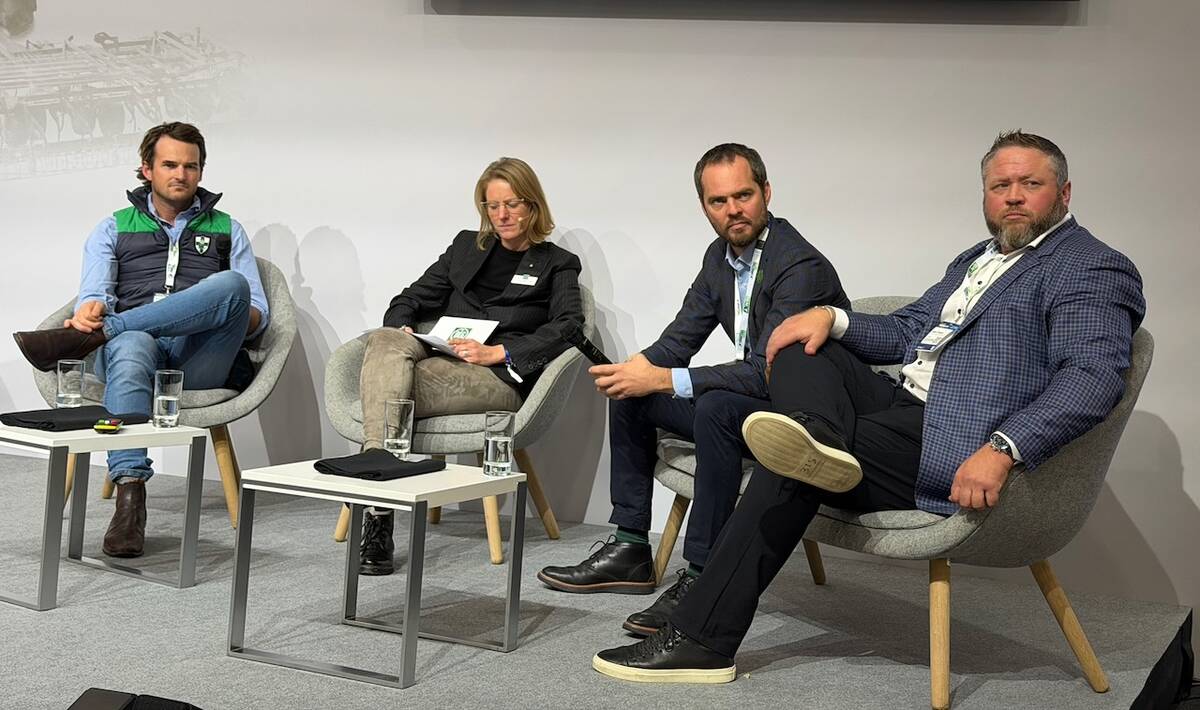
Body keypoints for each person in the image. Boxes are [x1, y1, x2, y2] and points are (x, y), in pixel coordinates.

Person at [591, 130, 1146, 683]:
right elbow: (908, 330)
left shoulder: (1089, 266)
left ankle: (702, 639)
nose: (1014, 196)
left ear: (1064, 192)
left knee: (793, 463)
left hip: (954, 437)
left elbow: (1092, 378)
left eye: (1030, 184)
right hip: (901, 405)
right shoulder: (976, 259)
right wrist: (829, 317)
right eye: (1001, 185)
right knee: (800, 342)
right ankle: (815, 436)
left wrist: (1003, 448)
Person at [537, 143, 850, 637]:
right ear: (704, 206)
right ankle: (630, 546)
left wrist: (663, 378)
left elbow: (766, 371)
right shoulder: (719, 257)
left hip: (802, 415)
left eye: (743, 195)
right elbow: (682, 336)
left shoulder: (800, 266)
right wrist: (635, 370)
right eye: (718, 201)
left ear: (767, 193)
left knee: (716, 408)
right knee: (634, 394)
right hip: (757, 404)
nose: (733, 210)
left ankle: (702, 576)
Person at [12, 122, 269, 559]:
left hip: (197, 359)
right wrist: (91, 311)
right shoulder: (112, 227)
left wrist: (213, 305)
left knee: (232, 285)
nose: (181, 174)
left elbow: (257, 318)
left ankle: (108, 333)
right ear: (146, 169)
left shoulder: (228, 228)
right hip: (133, 355)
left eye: (191, 166)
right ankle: (130, 499)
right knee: (132, 344)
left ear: (201, 171)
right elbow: (94, 293)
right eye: (170, 164)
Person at [355, 157, 583, 575]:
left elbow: (569, 326)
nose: (501, 215)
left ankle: (375, 506)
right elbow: (410, 298)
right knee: (384, 340)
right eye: (492, 206)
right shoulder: (466, 247)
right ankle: (380, 492)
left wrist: (501, 353)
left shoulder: (557, 263)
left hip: (495, 378)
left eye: (511, 204)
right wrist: (404, 328)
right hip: (442, 355)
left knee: (385, 386)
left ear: (532, 205)